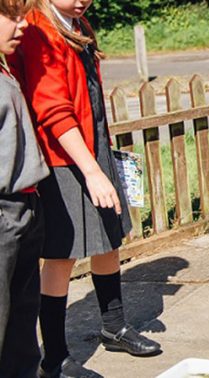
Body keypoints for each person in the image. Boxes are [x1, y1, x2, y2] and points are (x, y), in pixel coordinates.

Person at [12, 0, 164, 375]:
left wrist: (101, 162)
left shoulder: (77, 22)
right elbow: (52, 110)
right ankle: (55, 357)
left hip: (93, 148)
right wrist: (91, 171)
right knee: (62, 256)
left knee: (109, 239)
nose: (83, 0)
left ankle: (114, 326)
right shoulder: (38, 30)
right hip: (64, 158)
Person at [0, 0, 49, 376]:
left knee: (21, 321)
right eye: (11, 17)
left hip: (25, 208)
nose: (22, 26)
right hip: (4, 212)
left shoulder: (5, 67)